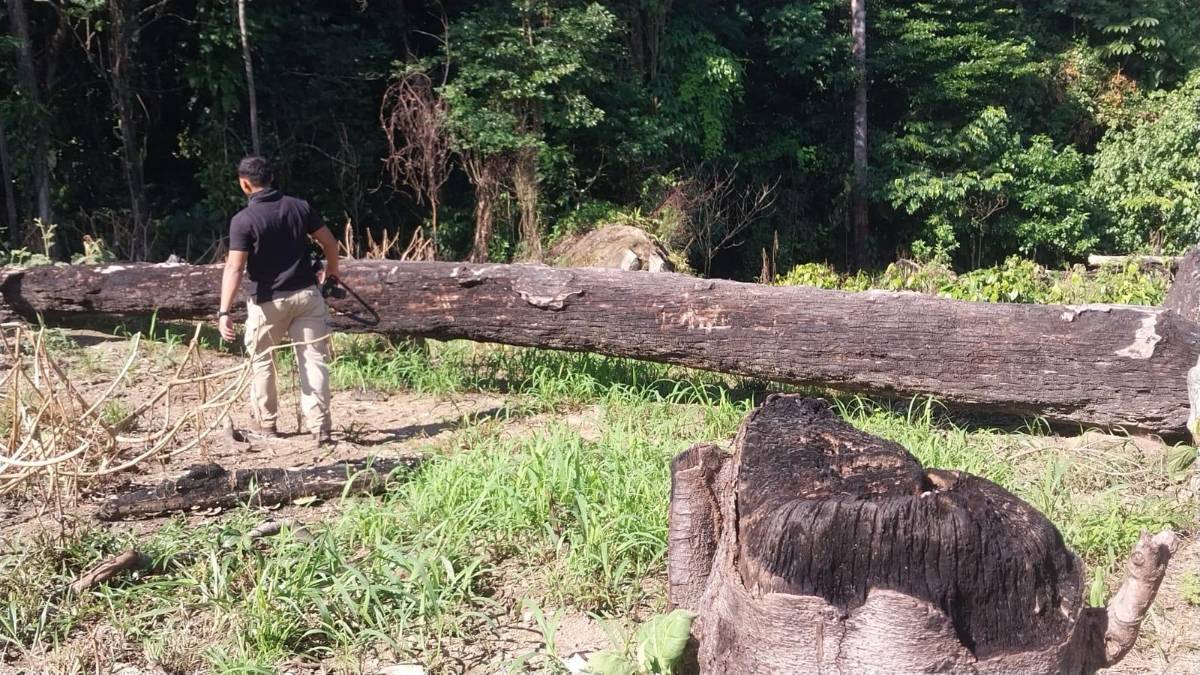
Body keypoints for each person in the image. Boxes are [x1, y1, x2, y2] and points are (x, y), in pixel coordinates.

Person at [217, 156, 340, 446]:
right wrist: (331, 273)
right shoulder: (300, 207)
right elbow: (331, 243)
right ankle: (321, 430)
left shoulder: (243, 220)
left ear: (245, 183)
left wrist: (224, 311)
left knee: (262, 361)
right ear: (272, 178)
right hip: (307, 295)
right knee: (314, 360)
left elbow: (235, 268)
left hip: (268, 301)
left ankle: (267, 424)